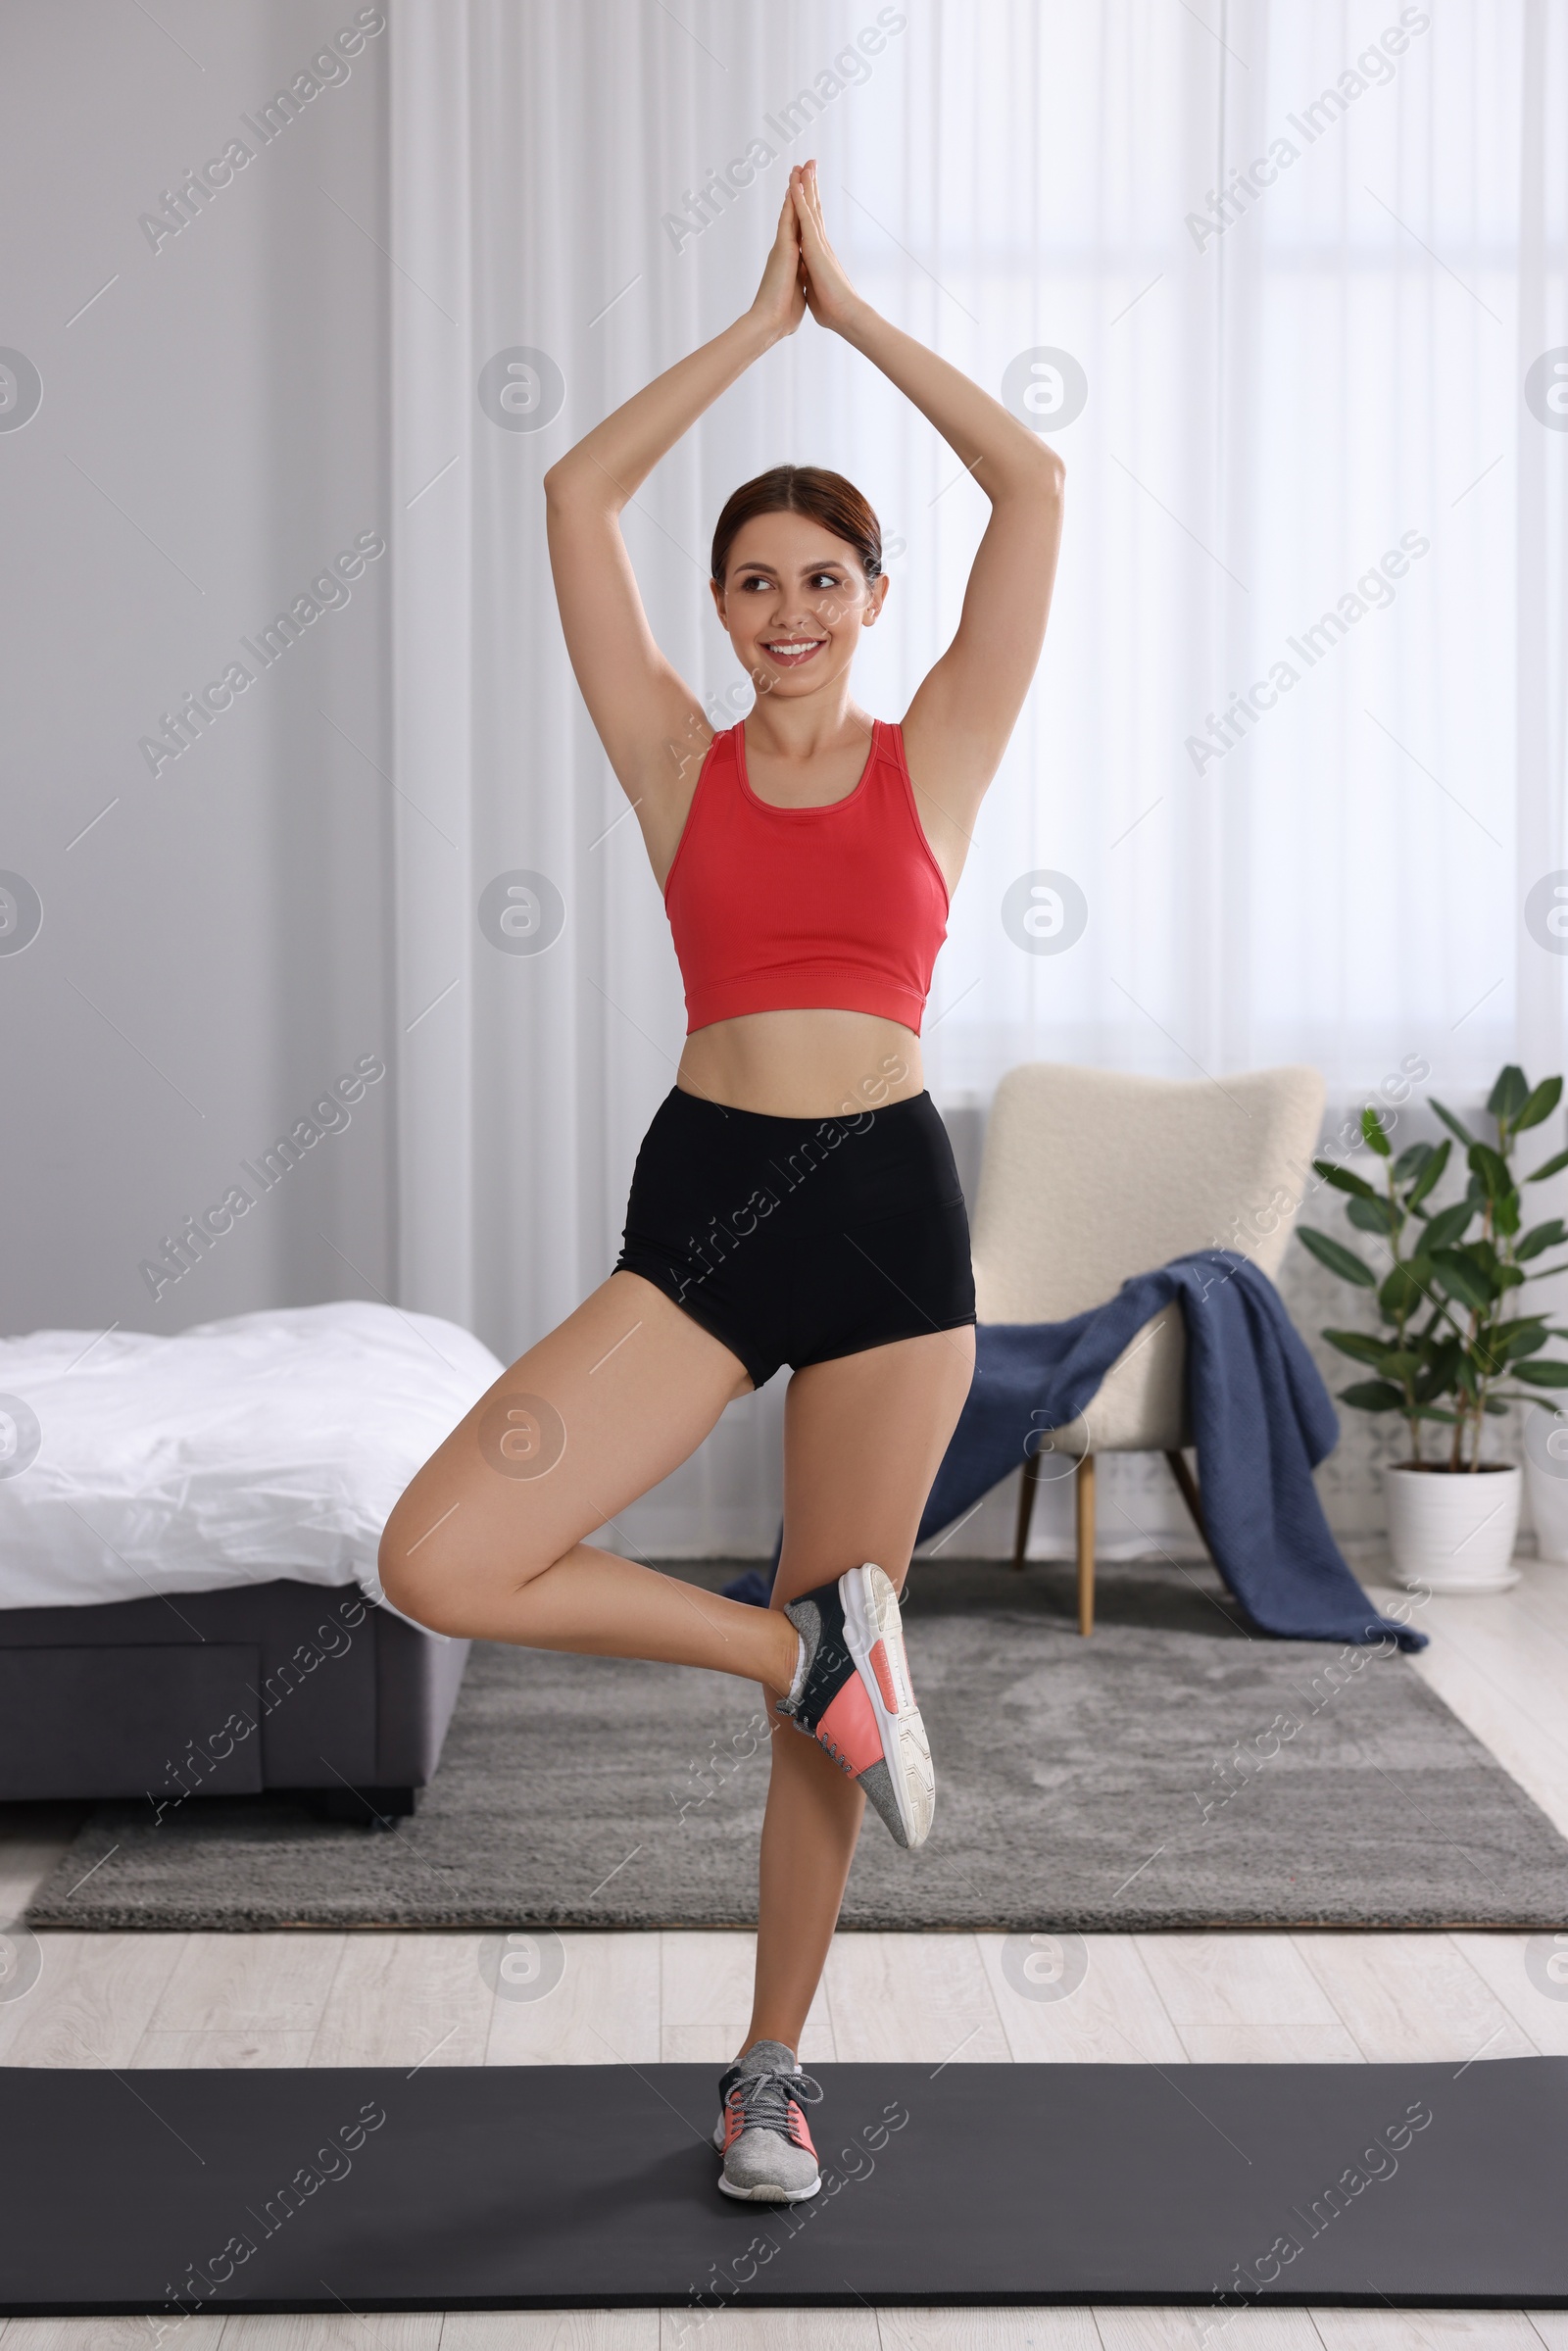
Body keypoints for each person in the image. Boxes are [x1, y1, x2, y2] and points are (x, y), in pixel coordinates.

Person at [379, 159, 1065, 2203]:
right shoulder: (670, 757)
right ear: (719, 606)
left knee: (820, 1649)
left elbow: (1028, 491)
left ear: (868, 603)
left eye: (820, 580)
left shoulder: (926, 753)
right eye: (751, 580)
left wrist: (850, 317)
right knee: (445, 1553)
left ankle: (769, 2070)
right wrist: (751, 337)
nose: (784, 611)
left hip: (882, 1217)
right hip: (704, 1213)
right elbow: (571, 501)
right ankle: (805, 1654)